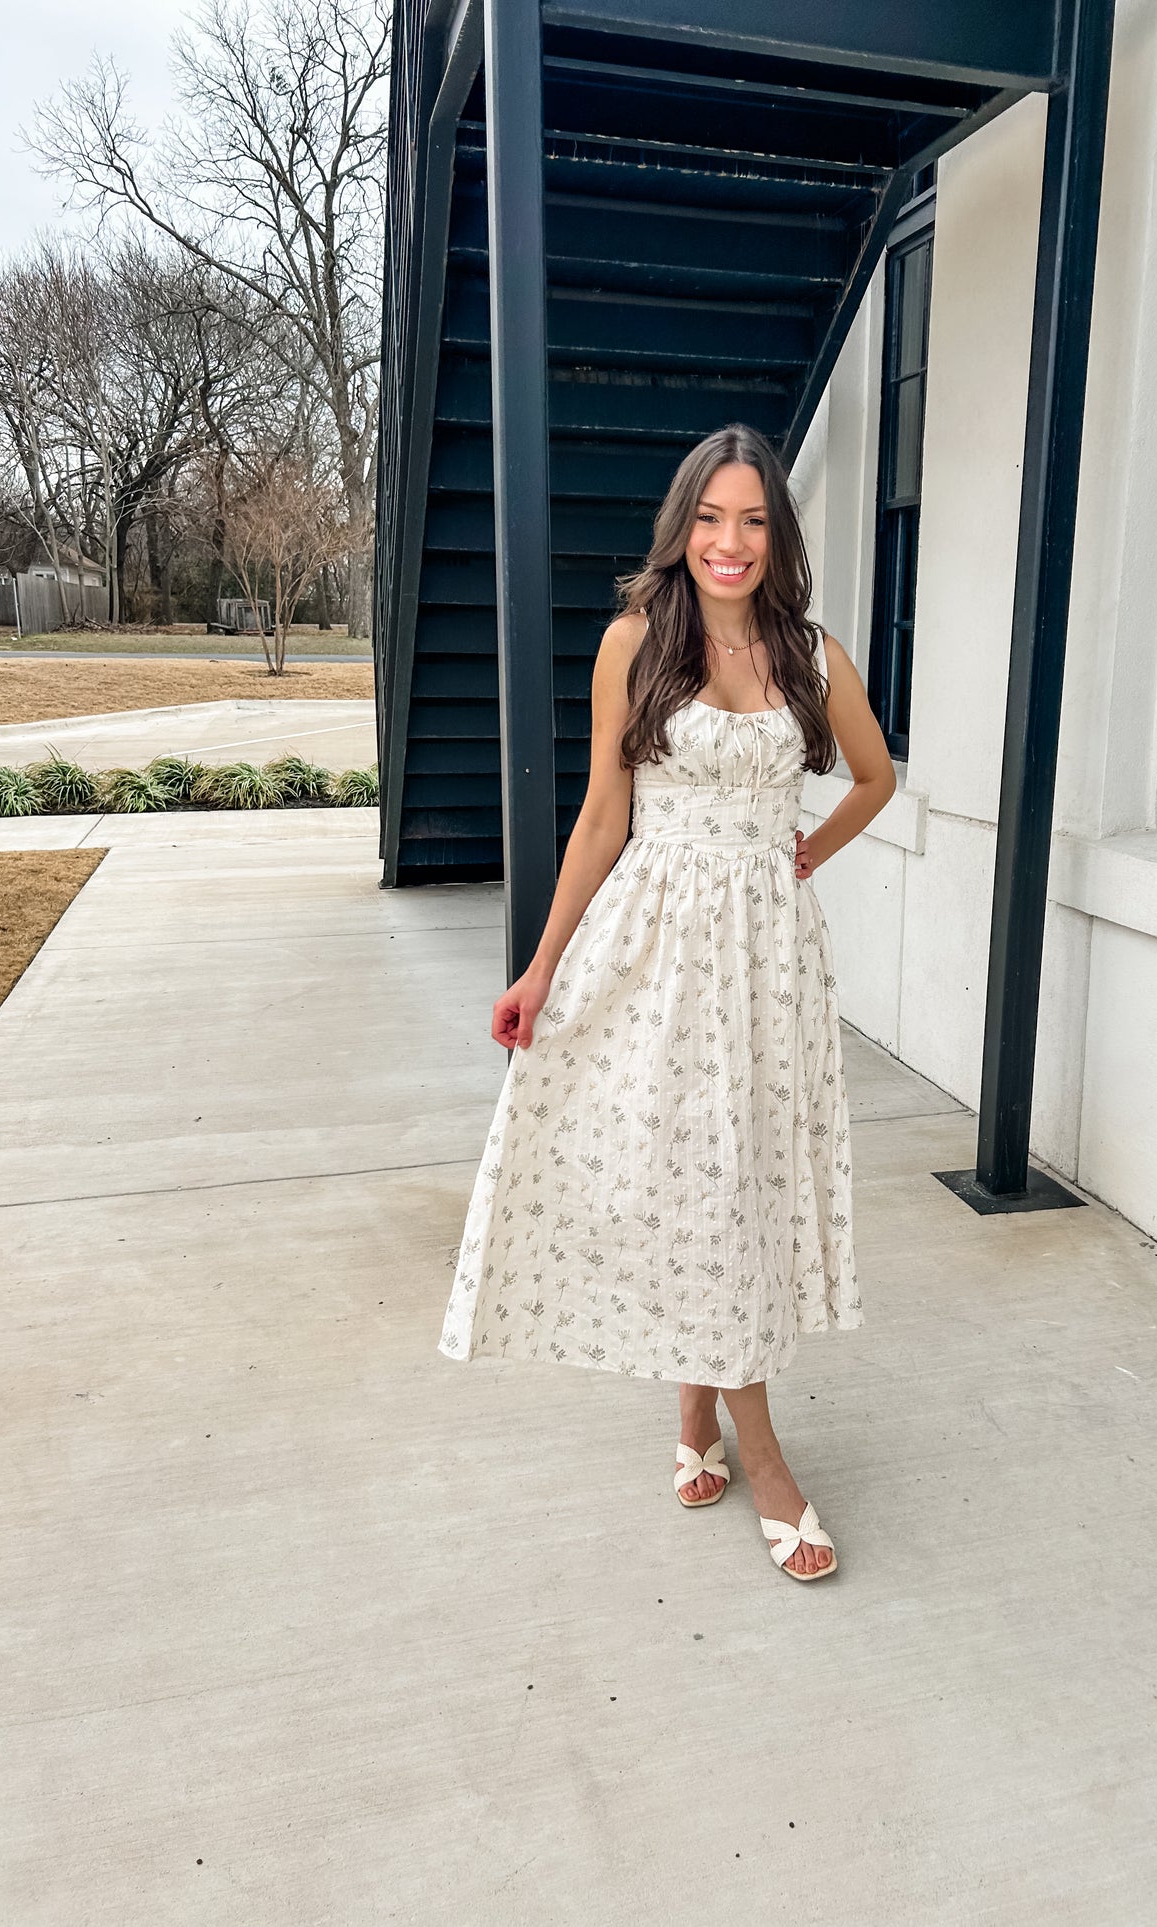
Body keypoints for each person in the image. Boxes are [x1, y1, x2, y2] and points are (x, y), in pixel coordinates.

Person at [438, 422, 897, 1581]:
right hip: (657, 953)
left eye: (751, 520)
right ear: (680, 526)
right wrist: (539, 968)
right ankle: (765, 1453)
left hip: (768, 962)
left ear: (775, 534)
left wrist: (802, 853)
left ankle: (693, 1414)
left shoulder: (810, 655)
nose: (728, 542)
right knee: (695, 1180)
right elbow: (602, 815)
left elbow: (877, 775)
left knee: (736, 1183)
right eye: (709, 518)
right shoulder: (634, 643)